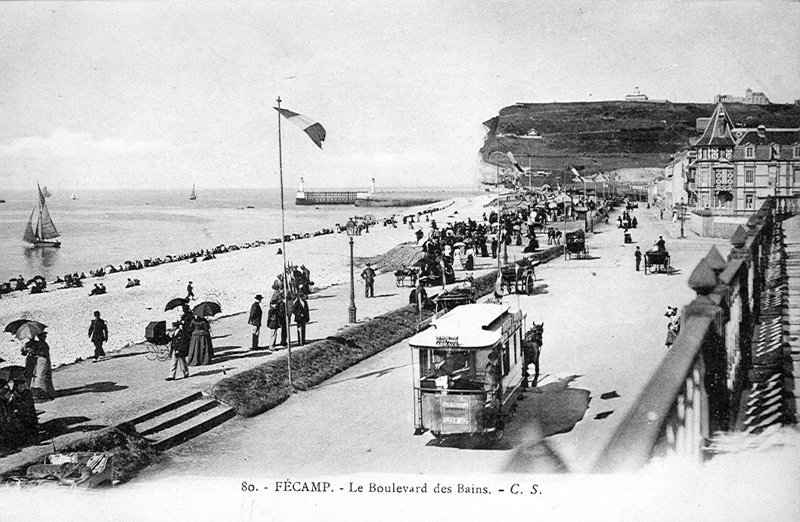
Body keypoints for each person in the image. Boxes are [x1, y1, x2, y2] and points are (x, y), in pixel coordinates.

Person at [26, 333, 55, 401]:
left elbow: (44, 353)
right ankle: (39, 392)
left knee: (42, 376)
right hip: (36, 361)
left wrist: (36, 352)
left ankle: (45, 393)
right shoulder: (33, 344)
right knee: (37, 376)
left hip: (42, 361)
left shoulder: (43, 344)